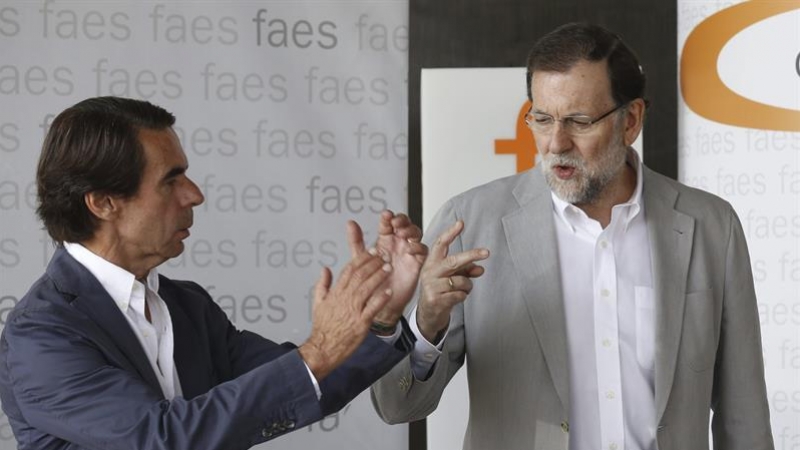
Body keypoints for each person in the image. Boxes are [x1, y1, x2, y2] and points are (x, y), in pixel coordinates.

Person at [371, 22, 774, 450]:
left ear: (631, 120)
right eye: (542, 119)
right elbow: (398, 408)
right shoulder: (469, 222)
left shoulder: (712, 226)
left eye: (579, 121)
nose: (556, 143)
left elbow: (744, 419)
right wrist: (425, 321)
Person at [0, 96, 426, 450]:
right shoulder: (40, 335)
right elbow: (163, 438)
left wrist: (381, 315)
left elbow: (310, 384)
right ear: (104, 203)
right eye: (171, 180)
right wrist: (319, 349)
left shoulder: (186, 305)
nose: (195, 195)